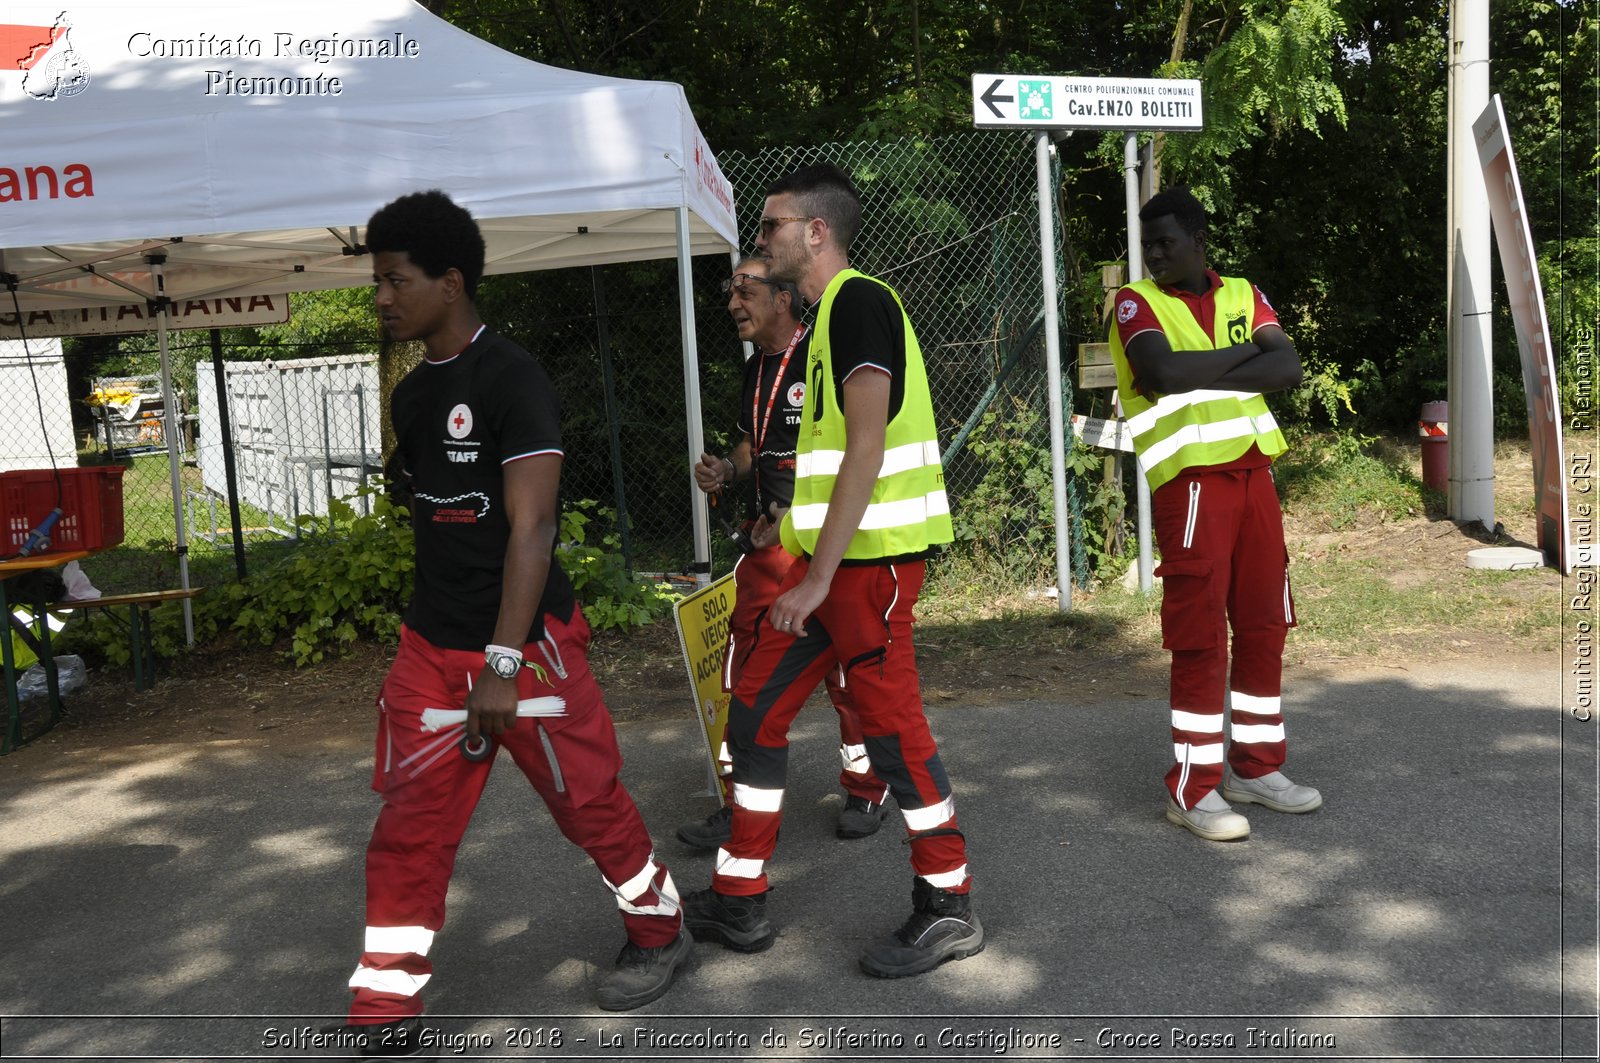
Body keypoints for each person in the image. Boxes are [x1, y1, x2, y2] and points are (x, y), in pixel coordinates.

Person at [339, 190, 688, 1057]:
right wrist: (454, 653)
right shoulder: (413, 397)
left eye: (396, 279)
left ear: (450, 282)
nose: (381, 296)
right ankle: (384, 1016)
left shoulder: (513, 377)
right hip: (432, 649)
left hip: (525, 649)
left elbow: (531, 527)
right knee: (408, 831)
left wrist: (500, 660)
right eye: (377, 279)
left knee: (589, 802)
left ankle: (659, 927)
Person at [681, 164, 983, 979]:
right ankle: (739, 896)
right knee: (754, 714)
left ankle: (948, 903)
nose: (760, 241)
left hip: (867, 571)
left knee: (892, 734)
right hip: (829, 569)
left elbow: (868, 443)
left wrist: (814, 579)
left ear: (815, 233)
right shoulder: (820, 322)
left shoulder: (858, 302)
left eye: (771, 226)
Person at [1107, 186, 1323, 843]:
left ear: (1200, 241)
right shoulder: (1133, 302)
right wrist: (1242, 362)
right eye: (1147, 245)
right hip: (1192, 484)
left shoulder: (1242, 291)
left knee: (1264, 622)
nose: (1154, 255)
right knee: (1200, 633)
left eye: (1166, 242)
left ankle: (1256, 768)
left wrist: (1206, 369)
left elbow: (1287, 366)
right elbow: (1163, 372)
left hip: (1255, 475)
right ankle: (1192, 787)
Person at [677, 256, 892, 849]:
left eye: (744, 289)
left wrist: (795, 519)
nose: (732, 301)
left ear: (782, 298)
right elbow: (758, 442)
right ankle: (738, 799)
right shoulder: (756, 369)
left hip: (824, 545)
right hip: (766, 551)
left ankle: (866, 784)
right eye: (731, 289)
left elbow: (855, 447)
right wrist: (728, 468)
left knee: (849, 673)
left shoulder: (821, 351)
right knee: (744, 668)